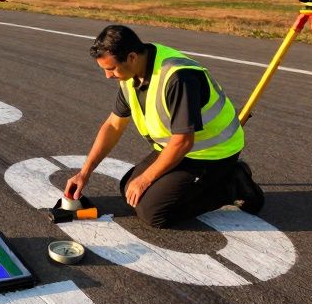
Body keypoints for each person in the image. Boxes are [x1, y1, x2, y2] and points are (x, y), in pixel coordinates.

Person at [63, 24, 264, 228]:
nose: (108, 76)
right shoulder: (131, 73)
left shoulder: (178, 78)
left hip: (211, 153)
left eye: (111, 68)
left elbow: (183, 141)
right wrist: (84, 172)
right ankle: (209, 183)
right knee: (128, 188)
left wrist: (145, 180)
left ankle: (232, 185)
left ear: (132, 57)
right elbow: (114, 125)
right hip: (178, 148)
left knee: (154, 213)